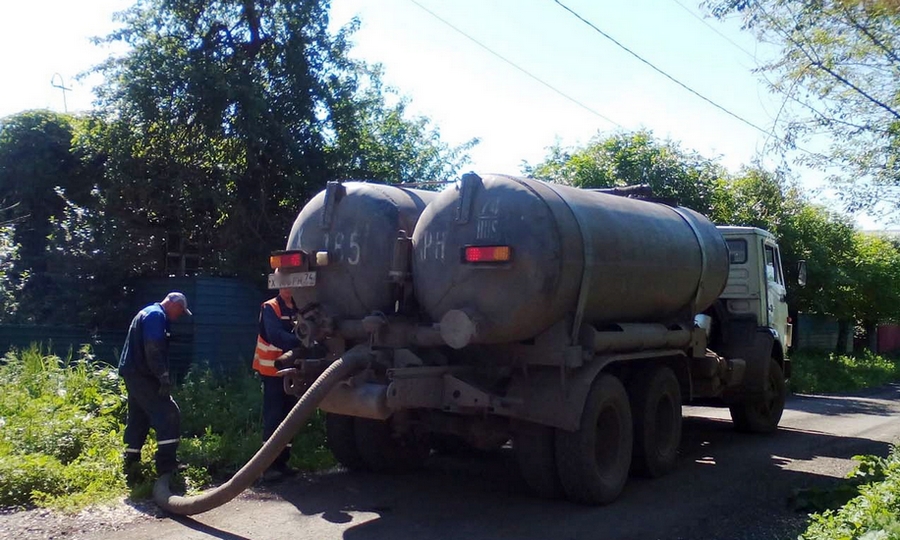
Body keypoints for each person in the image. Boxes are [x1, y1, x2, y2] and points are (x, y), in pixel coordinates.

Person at [119, 291, 192, 483]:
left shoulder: (146, 312)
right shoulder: (156, 315)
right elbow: (153, 347)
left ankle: (131, 461)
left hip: (133, 373)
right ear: (173, 304)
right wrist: (163, 376)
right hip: (144, 375)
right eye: (180, 311)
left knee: (138, 416)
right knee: (169, 414)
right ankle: (166, 465)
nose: (178, 316)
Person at [252, 287, 301, 481]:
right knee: (274, 415)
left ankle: (282, 463)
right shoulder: (270, 307)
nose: (290, 287)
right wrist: (302, 342)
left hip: (292, 371)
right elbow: (275, 336)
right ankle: (268, 466)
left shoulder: (300, 307)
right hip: (272, 370)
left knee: (288, 416)